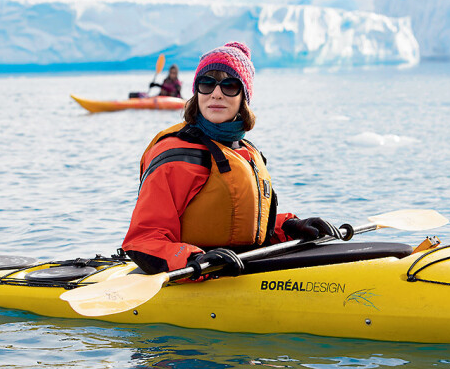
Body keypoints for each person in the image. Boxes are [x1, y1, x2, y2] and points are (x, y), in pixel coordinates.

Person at [122, 42, 341, 278]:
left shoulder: (246, 152)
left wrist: (288, 227)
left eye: (229, 85)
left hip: (240, 266)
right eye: (207, 84)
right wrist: (194, 259)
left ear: (243, 98)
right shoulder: (177, 156)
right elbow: (142, 241)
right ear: (197, 93)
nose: (216, 93)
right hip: (192, 276)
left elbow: (242, 226)